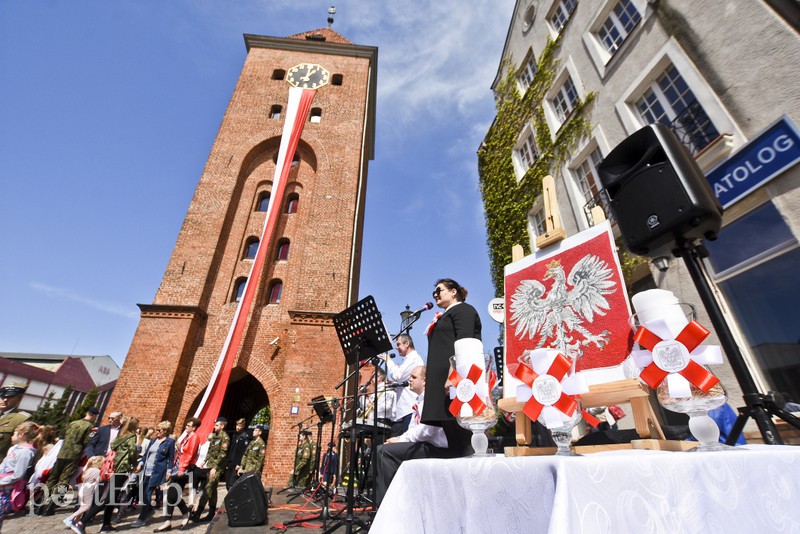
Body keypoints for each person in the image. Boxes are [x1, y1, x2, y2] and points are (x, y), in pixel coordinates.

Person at [422, 278, 480, 457]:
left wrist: (453, 374)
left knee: (462, 430)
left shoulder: (463, 310)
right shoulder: (445, 315)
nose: (435, 295)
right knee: (451, 432)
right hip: (440, 382)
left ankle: (471, 466)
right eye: (434, 292)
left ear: (453, 291)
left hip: (455, 379)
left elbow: (464, 341)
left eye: (439, 290)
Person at [375, 365, 447, 506]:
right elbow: (413, 429)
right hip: (423, 445)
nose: (410, 380)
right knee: (386, 448)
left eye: (414, 377)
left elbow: (427, 431)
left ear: (424, 381)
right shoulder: (419, 400)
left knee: (383, 452)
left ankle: (386, 506)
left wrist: (401, 440)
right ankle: (400, 500)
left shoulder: (431, 400)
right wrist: (399, 440)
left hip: (435, 448)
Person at [78, 416, 139, 533]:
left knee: (112, 498)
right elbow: (132, 452)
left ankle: (106, 524)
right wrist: (135, 464)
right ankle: (82, 522)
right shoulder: (131, 437)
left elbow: (113, 446)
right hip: (120, 469)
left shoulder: (121, 435)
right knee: (109, 499)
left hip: (112, 469)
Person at [41, 407, 99, 516]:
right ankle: (51, 506)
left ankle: (40, 504)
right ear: (95, 416)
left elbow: (62, 436)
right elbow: (87, 442)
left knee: (52, 478)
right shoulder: (90, 427)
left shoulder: (73, 423)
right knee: (64, 480)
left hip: (62, 453)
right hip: (74, 455)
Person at [158, 417, 201, 532]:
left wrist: (182, 468)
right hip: (177, 468)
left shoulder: (194, 437)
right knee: (172, 495)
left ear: (194, 428)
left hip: (184, 470)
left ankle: (184, 514)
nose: (186, 427)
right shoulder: (187, 437)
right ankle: (168, 521)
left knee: (173, 494)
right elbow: (180, 453)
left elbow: (190, 454)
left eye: (188, 426)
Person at [131, 420, 176, 528]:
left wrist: (169, 471)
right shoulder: (153, 440)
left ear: (165, 431)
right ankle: (149, 509)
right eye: (157, 430)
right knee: (142, 493)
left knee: (147, 493)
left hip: (157, 472)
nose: (157, 432)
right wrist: (140, 463)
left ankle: (141, 519)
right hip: (146, 470)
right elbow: (146, 454)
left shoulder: (169, 442)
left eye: (159, 430)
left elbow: (171, 458)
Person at [379, 334, 424, 437]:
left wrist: (389, 361)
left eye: (398, 344)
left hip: (410, 407)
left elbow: (398, 376)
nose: (397, 347)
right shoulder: (408, 359)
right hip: (405, 409)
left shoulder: (413, 359)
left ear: (407, 343)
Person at [190, 417, 229, 523]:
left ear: (222, 426)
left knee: (208, 488)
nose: (214, 426)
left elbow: (223, 454)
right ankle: (211, 512)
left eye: (217, 425)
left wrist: (215, 468)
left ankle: (198, 513)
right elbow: (210, 451)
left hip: (217, 467)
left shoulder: (225, 437)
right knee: (213, 489)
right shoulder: (214, 436)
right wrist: (204, 461)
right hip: (209, 465)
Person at [0, 421, 37, 522]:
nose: (11, 437)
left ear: (21, 435)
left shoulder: (26, 452)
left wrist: (2, 482)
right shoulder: (15, 448)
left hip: (7, 486)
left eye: (14, 434)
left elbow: (18, 474)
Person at [62, 455, 103, 534]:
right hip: (89, 490)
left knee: (82, 507)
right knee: (87, 506)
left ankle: (75, 523)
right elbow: (99, 480)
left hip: (82, 488)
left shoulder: (89, 469)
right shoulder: (97, 471)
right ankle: (70, 519)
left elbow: (83, 477)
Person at [0, 383, 32, 460]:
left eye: (10, 397)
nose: (5, 400)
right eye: (2, 396)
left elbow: (19, 445)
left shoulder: (21, 419)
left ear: (19, 399)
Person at [226, 418, 251, 488]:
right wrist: (228, 461)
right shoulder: (235, 435)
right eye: (237, 425)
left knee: (232, 483)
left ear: (243, 426)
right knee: (227, 482)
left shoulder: (244, 436)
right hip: (231, 461)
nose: (237, 427)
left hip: (236, 463)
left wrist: (239, 464)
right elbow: (231, 449)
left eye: (240, 426)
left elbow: (242, 452)